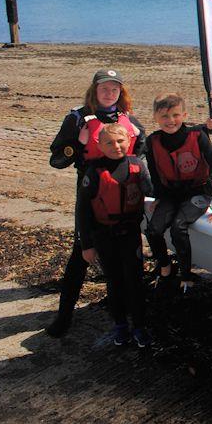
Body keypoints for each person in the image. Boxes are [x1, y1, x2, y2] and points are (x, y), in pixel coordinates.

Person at [46, 68, 146, 338]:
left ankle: (127, 318)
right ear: (94, 90)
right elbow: (56, 159)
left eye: (114, 88)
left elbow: (141, 147)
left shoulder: (126, 118)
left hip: (122, 193)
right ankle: (64, 317)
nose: (109, 92)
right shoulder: (77, 118)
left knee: (125, 261)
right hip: (90, 191)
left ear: (120, 92)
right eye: (104, 88)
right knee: (81, 253)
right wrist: (77, 146)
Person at [76, 123, 153, 346]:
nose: (116, 146)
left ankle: (139, 326)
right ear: (100, 145)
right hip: (104, 235)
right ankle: (120, 325)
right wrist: (86, 245)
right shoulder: (94, 171)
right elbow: (82, 209)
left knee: (135, 281)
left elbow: (151, 191)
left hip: (130, 233)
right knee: (115, 280)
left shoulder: (137, 165)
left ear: (129, 142)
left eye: (120, 141)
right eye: (109, 142)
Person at [144, 93, 212, 291]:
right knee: (153, 230)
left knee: (178, 227)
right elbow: (155, 173)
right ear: (155, 117)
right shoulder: (152, 141)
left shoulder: (197, 137)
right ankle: (165, 267)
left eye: (175, 115)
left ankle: (186, 275)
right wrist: (158, 197)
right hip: (171, 193)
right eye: (164, 116)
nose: (170, 121)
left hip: (198, 191)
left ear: (184, 115)